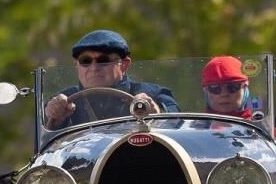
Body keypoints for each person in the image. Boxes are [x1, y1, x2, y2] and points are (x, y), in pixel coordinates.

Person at [44, 30, 179, 129]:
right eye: (85, 61)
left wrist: (157, 113)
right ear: (76, 66)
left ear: (124, 64)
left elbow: (179, 122)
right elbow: (46, 144)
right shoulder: (63, 101)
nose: (94, 67)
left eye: (103, 60)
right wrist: (55, 117)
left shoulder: (154, 94)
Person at [202, 55, 276, 147]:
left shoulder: (268, 133)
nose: (224, 94)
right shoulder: (192, 131)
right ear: (206, 91)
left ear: (245, 87)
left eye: (233, 87)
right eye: (215, 88)